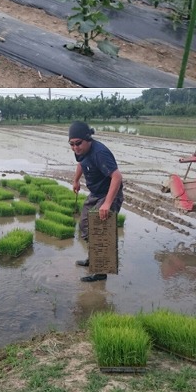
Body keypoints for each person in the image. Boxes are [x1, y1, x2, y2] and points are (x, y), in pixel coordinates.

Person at [69, 121, 123, 283]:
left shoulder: (100, 152)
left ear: (88, 139)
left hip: (109, 194)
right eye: (71, 144)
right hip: (95, 193)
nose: (75, 147)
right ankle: (93, 257)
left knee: (100, 230)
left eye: (78, 143)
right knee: (85, 225)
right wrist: (76, 180)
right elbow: (81, 163)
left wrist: (107, 203)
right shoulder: (80, 151)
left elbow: (117, 177)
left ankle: (101, 272)